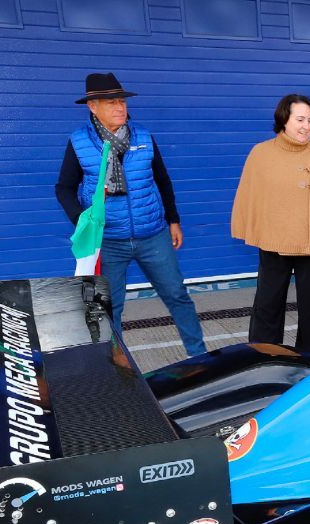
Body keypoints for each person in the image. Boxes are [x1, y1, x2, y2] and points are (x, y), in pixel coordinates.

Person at [55, 72, 206, 356]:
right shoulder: (79, 142)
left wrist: (173, 220)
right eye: (111, 102)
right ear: (93, 107)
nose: (120, 107)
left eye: (121, 101)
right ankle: (118, 370)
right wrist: (82, 221)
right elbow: (63, 188)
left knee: (177, 295)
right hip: (109, 240)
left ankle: (199, 356)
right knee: (110, 309)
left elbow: (163, 180)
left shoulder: (144, 137)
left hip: (153, 235)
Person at [232, 94, 310, 356]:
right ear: (284, 119)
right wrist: (248, 227)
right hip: (275, 243)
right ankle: (262, 358)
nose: (306, 126)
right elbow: (249, 195)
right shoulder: (261, 153)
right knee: (267, 306)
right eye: (299, 119)